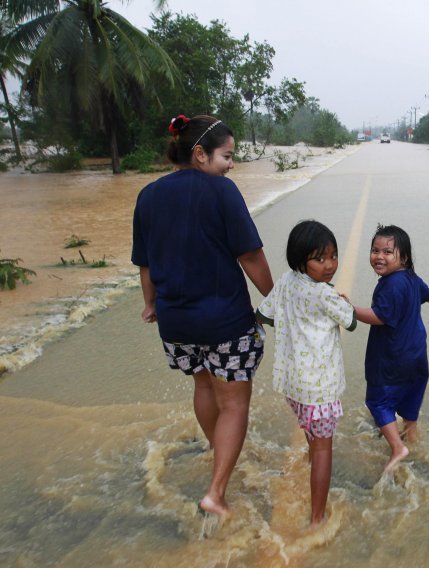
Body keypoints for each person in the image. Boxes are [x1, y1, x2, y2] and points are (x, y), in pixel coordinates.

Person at [132, 114, 274, 519]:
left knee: (203, 386)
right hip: (224, 321)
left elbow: (145, 264)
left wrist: (151, 303)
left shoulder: (147, 195)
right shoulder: (221, 191)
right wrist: (278, 300)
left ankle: (218, 453)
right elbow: (249, 255)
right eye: (227, 155)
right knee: (234, 402)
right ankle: (216, 492)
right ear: (199, 154)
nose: (231, 164)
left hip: (175, 323)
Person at [256, 220, 356, 526]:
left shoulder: (287, 281)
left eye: (333, 256)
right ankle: (317, 517)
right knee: (325, 447)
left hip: (293, 384)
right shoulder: (324, 295)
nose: (330, 266)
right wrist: (344, 302)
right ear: (301, 260)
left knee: (313, 436)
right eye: (319, 259)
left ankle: (311, 465)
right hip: (320, 388)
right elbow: (350, 321)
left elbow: (264, 314)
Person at [350, 225, 429, 472]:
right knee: (410, 393)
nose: (379, 256)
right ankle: (411, 436)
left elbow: (379, 316)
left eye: (387, 252)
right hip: (415, 353)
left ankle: (397, 447)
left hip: (391, 356)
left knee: (378, 401)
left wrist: (349, 309)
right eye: (375, 250)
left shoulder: (390, 284)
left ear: (403, 257)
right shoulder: (412, 279)